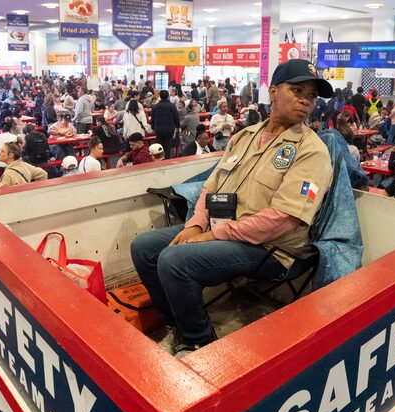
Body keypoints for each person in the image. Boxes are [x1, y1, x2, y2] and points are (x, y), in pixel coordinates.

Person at [130, 59, 333, 354]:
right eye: (297, 90)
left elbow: (283, 220)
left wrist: (208, 237)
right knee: (145, 247)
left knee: (175, 260)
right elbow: (210, 187)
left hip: (270, 247)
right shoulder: (244, 137)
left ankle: (198, 341)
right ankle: (179, 324)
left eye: (312, 96)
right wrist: (196, 225)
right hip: (223, 228)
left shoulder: (311, 151)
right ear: (273, 91)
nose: (306, 100)